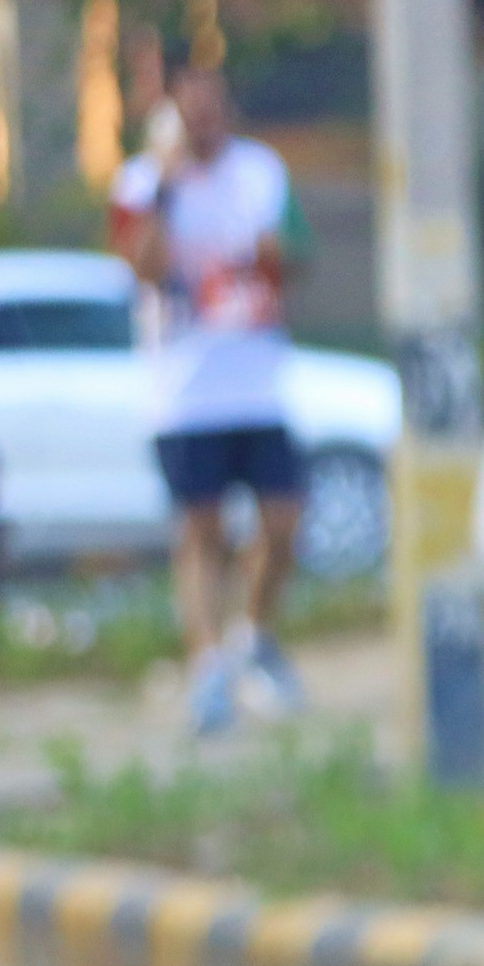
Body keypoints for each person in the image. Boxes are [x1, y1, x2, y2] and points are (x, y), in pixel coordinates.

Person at [110, 63, 312, 735]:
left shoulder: (262, 172)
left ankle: (254, 636)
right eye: (191, 112)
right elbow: (139, 267)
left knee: (283, 521)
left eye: (213, 109)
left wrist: (275, 255)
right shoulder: (140, 183)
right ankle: (207, 667)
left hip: (257, 383)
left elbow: (298, 257)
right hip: (185, 391)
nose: (204, 123)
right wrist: (167, 188)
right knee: (203, 530)